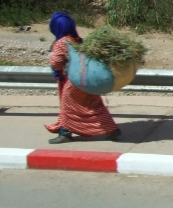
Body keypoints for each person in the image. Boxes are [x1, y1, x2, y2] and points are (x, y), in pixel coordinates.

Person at [45, 12, 121, 144]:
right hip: (86, 80)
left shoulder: (61, 42)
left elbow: (56, 63)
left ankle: (65, 133)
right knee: (95, 106)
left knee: (67, 108)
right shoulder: (77, 40)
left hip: (73, 82)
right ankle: (112, 129)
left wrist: (52, 58)